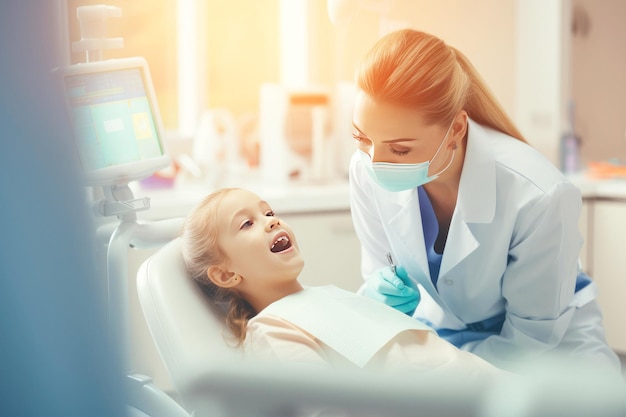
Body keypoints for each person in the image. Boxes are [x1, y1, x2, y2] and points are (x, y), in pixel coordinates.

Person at [348, 28, 621, 373]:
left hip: (552, 351)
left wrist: (447, 372)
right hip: (442, 334)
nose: (375, 162)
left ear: (456, 130)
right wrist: (376, 301)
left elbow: (531, 339)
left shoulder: (537, 195)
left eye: (400, 149)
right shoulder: (364, 170)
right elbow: (379, 277)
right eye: (361, 138)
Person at [180, 187, 507, 381]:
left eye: (269, 212)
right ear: (225, 275)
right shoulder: (271, 330)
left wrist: (376, 308)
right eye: (247, 223)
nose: (272, 220)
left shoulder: (321, 298)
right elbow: (328, 405)